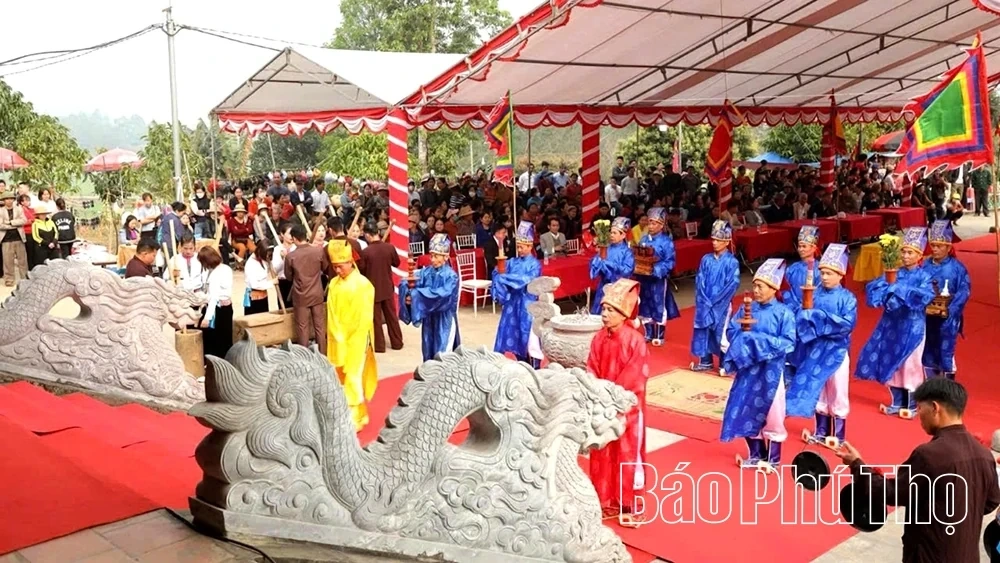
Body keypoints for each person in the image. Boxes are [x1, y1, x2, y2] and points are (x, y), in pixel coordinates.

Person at [836, 378, 1000, 563]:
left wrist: (856, 465)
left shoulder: (929, 455)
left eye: (920, 408)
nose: (919, 415)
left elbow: (892, 493)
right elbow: (991, 501)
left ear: (935, 408)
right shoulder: (983, 455)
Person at [721, 258, 795, 471]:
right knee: (744, 406)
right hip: (748, 369)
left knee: (773, 411)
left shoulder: (784, 313)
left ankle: (773, 458)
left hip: (771, 371)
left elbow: (789, 343)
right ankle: (755, 455)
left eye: (761, 286)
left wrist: (756, 341)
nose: (756, 290)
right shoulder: (747, 309)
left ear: (773, 289)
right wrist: (744, 339)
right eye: (754, 285)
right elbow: (732, 331)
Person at [586, 278, 649, 527]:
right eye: (604, 309)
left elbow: (635, 377)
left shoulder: (635, 341)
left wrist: (613, 399)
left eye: (611, 310)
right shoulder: (598, 339)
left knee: (626, 454)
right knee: (602, 453)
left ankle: (628, 503)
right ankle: (604, 500)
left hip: (627, 409)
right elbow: (591, 368)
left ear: (623, 314)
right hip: (603, 406)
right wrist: (596, 392)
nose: (604, 314)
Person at [855, 228, 936, 418]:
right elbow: (874, 287)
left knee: (910, 364)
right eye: (903, 252)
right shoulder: (894, 272)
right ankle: (897, 401)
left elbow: (926, 296)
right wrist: (886, 287)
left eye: (910, 253)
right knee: (892, 361)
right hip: (892, 324)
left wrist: (899, 289)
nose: (905, 256)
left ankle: (913, 404)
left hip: (912, 326)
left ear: (919, 255)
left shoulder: (924, 276)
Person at [786, 243, 857, 447]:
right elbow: (802, 319)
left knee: (838, 389)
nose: (824, 277)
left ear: (841, 274)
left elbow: (847, 324)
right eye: (822, 273)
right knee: (819, 389)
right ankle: (821, 431)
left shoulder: (847, 298)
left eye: (829, 273)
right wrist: (805, 316)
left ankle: (839, 435)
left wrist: (816, 318)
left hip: (836, 351)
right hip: (815, 350)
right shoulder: (814, 295)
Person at [326, 240, 378, 432]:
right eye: (335, 267)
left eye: (340, 266)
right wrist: (337, 335)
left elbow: (364, 318)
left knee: (353, 375)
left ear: (350, 262)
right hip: (337, 337)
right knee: (339, 375)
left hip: (357, 338)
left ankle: (355, 417)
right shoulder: (333, 284)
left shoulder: (363, 285)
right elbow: (331, 313)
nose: (337, 270)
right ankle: (345, 413)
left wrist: (355, 339)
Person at [398, 233, 461, 361]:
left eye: (436, 256)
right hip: (429, 320)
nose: (432, 260)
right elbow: (410, 280)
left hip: (444, 320)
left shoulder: (451, 276)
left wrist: (417, 296)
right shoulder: (427, 272)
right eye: (431, 256)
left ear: (446, 257)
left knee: (442, 356)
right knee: (428, 353)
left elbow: (443, 295)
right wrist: (407, 292)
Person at [922, 220, 971, 380]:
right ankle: (931, 384)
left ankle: (948, 386)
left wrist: (952, 310)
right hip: (927, 315)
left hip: (948, 316)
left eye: (939, 246)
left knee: (946, 350)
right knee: (928, 348)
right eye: (933, 245)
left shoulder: (957, 268)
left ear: (948, 248)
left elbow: (964, 291)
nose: (935, 249)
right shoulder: (925, 265)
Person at [690, 220, 741, 372]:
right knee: (704, 330)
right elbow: (700, 280)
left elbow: (732, 285)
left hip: (722, 305)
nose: (714, 243)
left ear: (726, 242)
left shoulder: (731, 262)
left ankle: (725, 364)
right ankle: (705, 361)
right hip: (704, 302)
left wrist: (716, 301)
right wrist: (704, 300)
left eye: (718, 240)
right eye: (713, 239)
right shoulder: (706, 259)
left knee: (721, 333)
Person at [492, 221, 542, 366]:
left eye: (522, 247)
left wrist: (505, 278)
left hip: (527, 302)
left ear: (530, 246)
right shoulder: (513, 262)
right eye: (518, 246)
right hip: (512, 302)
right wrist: (499, 271)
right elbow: (499, 272)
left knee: (527, 334)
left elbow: (526, 279)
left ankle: (532, 364)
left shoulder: (534, 264)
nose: (519, 249)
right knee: (508, 330)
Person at [635, 207, 679, 346]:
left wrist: (656, 269)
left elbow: (670, 261)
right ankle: (648, 333)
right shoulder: (643, 239)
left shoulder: (666, 242)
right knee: (644, 304)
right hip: (643, 278)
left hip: (658, 279)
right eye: (650, 223)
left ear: (661, 225)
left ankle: (659, 334)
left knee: (658, 303)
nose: (651, 226)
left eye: (654, 223)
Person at [284, 224, 329, 353]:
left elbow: (288, 277)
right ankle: (322, 354)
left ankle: (305, 356)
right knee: (319, 326)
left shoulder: (291, 256)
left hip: (301, 295)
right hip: (317, 292)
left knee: (302, 328)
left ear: (294, 238)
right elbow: (325, 267)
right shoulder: (318, 251)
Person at [361, 223, 404, 353]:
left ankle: (379, 346)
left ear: (368, 235)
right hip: (387, 287)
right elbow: (397, 263)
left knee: (376, 319)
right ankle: (397, 343)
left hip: (372, 289)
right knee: (392, 317)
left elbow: (361, 271)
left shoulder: (366, 252)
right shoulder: (389, 248)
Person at [589, 217, 635, 314]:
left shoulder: (627, 252)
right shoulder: (606, 248)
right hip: (603, 286)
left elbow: (627, 270)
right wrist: (598, 261)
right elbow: (594, 263)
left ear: (623, 235)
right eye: (611, 232)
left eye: (615, 233)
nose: (611, 235)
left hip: (618, 288)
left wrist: (609, 265)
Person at [198, 246, 234, 362]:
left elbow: (214, 298)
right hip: (227, 307)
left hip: (217, 309)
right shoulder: (226, 268)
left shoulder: (215, 275)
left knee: (216, 339)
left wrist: (207, 318)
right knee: (226, 337)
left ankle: (215, 362)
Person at [781, 226, 821, 314]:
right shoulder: (791, 268)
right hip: (792, 308)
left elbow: (820, 292)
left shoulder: (820, 269)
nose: (801, 249)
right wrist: (795, 306)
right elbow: (785, 289)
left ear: (813, 248)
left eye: (804, 246)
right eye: (799, 246)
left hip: (813, 310)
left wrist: (806, 305)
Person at [0, 191, 27, 286]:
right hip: (6, 239)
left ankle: (25, 278)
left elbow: (24, 220)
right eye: (7, 199)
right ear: (3, 200)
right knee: (7, 261)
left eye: (11, 198)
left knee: (22, 260)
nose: (9, 200)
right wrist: (14, 225)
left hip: (19, 238)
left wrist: (10, 222)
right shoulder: (0, 211)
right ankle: (9, 279)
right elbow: (0, 225)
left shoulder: (19, 209)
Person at [242, 243, 273, 315]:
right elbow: (254, 285)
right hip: (255, 298)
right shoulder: (251, 264)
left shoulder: (262, 260)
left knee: (264, 317)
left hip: (263, 295)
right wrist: (272, 282)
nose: (267, 256)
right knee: (255, 318)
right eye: (266, 254)